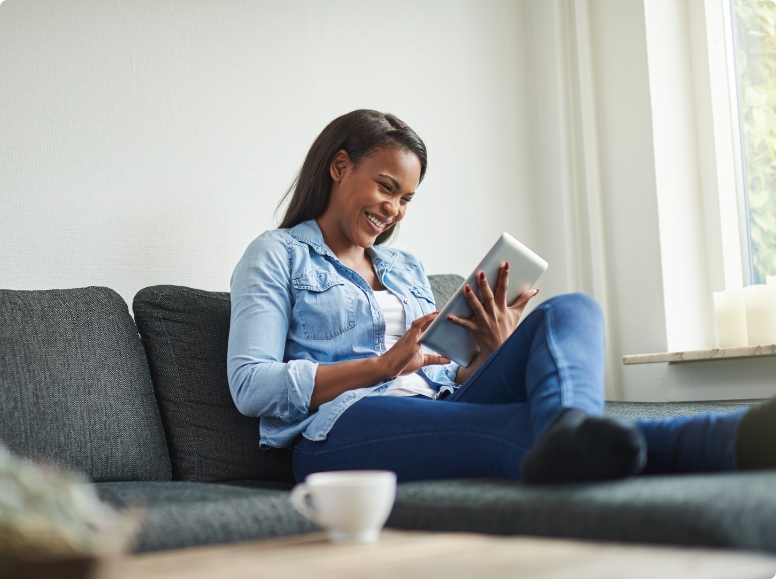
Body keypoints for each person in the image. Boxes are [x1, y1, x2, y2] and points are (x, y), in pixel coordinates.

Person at [227, 109, 776, 484]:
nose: (394, 210)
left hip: (441, 403)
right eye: (387, 187)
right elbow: (250, 386)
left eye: (407, 199)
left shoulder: (404, 266)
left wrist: (489, 353)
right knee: (513, 430)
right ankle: (722, 439)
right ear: (340, 166)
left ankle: (572, 433)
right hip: (340, 430)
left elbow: (444, 375)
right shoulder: (276, 255)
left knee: (572, 310)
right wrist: (381, 367)